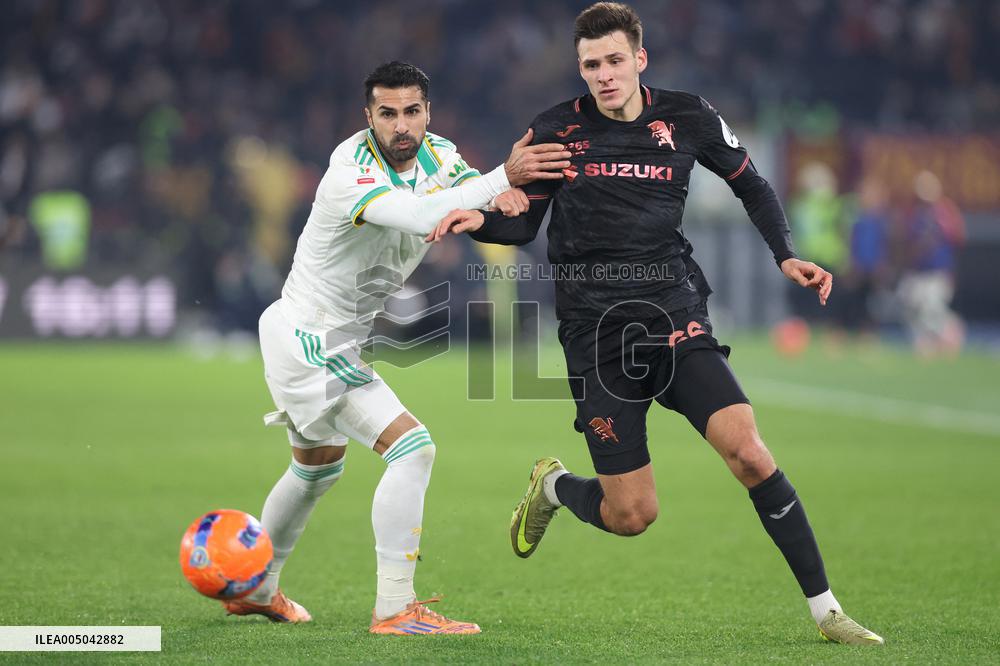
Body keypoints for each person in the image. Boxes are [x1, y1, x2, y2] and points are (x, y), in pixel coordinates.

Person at [429, 3, 883, 646]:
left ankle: (827, 611)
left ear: (640, 59)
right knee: (633, 514)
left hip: (673, 312)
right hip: (594, 329)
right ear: (580, 68)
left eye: (615, 60)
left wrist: (786, 255)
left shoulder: (689, 116)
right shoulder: (556, 129)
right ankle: (555, 487)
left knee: (749, 453)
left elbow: (752, 184)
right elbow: (524, 222)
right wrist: (484, 218)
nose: (604, 75)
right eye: (592, 64)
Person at [226, 61, 571, 634]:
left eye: (412, 111)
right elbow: (416, 215)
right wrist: (500, 178)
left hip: (331, 338)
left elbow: (468, 199)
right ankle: (394, 607)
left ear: (428, 112)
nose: (401, 125)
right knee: (413, 448)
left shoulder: (442, 156)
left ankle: (255, 588)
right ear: (369, 117)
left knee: (315, 470)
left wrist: (499, 198)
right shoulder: (349, 168)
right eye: (387, 113)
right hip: (310, 334)